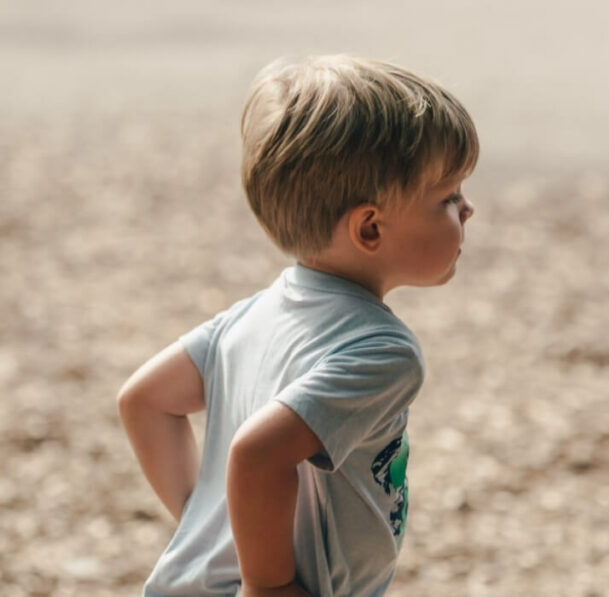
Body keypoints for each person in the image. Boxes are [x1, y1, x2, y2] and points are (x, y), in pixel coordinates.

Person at [117, 54, 478, 597]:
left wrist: (208, 522)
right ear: (370, 229)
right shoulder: (381, 351)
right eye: (447, 197)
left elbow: (144, 400)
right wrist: (267, 583)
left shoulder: (254, 314)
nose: (467, 209)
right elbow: (257, 454)